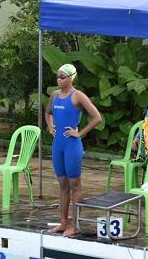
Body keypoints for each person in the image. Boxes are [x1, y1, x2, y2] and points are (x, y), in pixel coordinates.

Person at [45, 64, 102, 236]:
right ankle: (63, 222)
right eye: (57, 76)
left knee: (74, 185)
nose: (58, 80)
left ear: (71, 78)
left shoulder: (78, 96)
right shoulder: (54, 95)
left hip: (72, 146)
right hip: (58, 145)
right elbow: (48, 113)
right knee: (62, 185)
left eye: (62, 77)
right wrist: (49, 126)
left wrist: (80, 133)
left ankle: (76, 225)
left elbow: (97, 117)